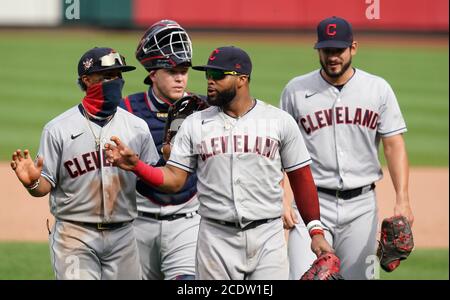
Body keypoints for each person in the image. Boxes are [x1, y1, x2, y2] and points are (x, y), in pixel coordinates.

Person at [104, 46, 333, 280]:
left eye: (218, 76)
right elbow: (174, 180)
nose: (210, 82)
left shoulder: (278, 122)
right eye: (207, 75)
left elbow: (301, 178)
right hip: (215, 239)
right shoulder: (195, 123)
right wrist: (136, 166)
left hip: (267, 239)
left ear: (242, 80)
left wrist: (315, 230)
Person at [280, 16, 414, 280]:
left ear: (353, 47)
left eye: (338, 50)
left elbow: (393, 145)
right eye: (327, 50)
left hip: (362, 208)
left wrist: (403, 198)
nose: (332, 57)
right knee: (300, 276)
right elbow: (280, 148)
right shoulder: (295, 91)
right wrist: (281, 196)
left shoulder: (377, 89)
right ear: (318, 50)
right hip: (310, 204)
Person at [10, 47, 159, 280]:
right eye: (107, 77)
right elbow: (44, 186)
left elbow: (153, 181)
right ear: (87, 80)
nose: (115, 82)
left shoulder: (137, 127)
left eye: (118, 76)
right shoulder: (58, 129)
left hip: (124, 236)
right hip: (74, 235)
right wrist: (32, 183)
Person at [119, 20, 201, 280]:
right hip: (137, 222)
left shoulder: (204, 109)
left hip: (187, 221)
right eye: (172, 70)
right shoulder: (126, 110)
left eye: (184, 70)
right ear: (153, 73)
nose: (180, 77)